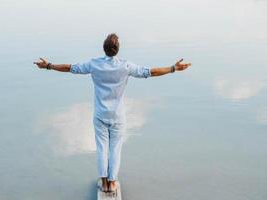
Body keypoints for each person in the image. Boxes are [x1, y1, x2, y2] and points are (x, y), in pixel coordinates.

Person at [34, 33, 191, 193]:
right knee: (115, 149)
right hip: (117, 116)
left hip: (100, 115)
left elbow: (70, 68)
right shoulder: (125, 66)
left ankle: (103, 183)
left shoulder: (94, 64)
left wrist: (48, 65)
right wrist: (173, 68)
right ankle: (112, 183)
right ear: (117, 50)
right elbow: (150, 72)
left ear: (104, 48)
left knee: (102, 148)